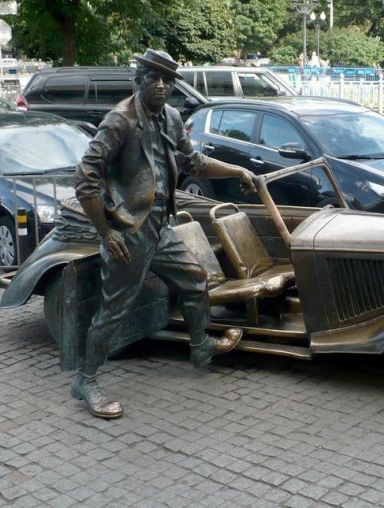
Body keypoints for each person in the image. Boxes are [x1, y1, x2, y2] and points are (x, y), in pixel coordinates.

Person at [72, 48, 256, 419]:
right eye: (153, 78)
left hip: (160, 223)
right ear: (138, 80)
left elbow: (193, 162)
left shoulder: (170, 117)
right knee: (115, 309)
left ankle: (200, 345)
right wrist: (107, 233)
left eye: (168, 80)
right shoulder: (118, 122)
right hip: (128, 228)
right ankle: (86, 379)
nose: (161, 85)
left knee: (194, 278)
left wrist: (236, 171)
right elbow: (85, 179)